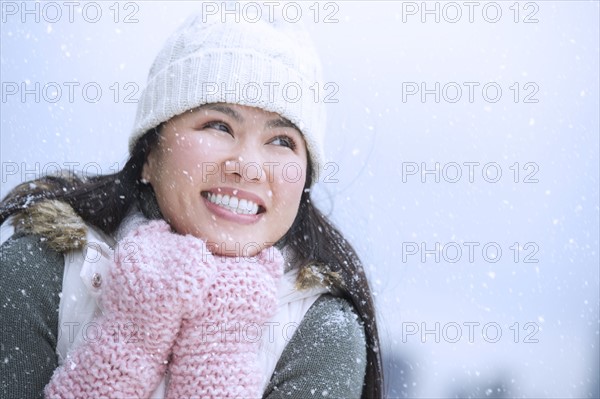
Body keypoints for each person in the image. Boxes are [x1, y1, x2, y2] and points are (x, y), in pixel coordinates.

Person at [0, 6, 384, 399]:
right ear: (150, 155)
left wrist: (214, 352)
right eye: (218, 126)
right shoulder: (41, 271)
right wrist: (132, 341)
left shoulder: (319, 330)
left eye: (282, 141)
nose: (249, 167)